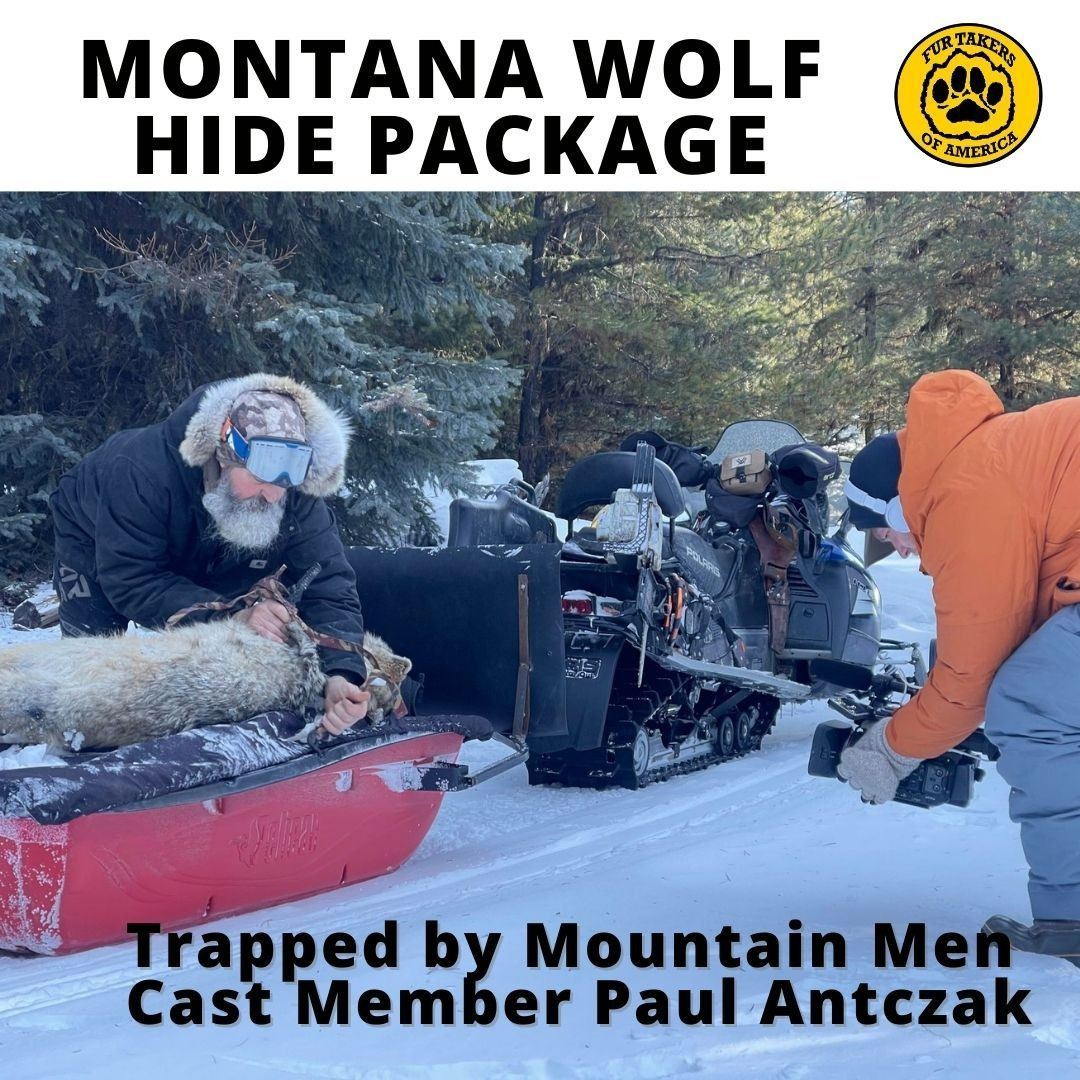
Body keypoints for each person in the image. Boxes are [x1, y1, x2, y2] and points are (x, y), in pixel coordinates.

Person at [837, 368, 1080, 962]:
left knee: (1030, 703)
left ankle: (1072, 917)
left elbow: (973, 680)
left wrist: (889, 748)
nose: (897, 546)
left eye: (884, 532)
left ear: (901, 502)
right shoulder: (995, 453)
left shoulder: (966, 491)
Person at [49, 374, 370, 735]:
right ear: (224, 454)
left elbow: (329, 584)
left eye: (284, 483)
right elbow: (132, 579)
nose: (273, 495)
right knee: (88, 673)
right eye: (260, 477)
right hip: (93, 539)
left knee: (224, 641)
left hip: (208, 548)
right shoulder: (140, 472)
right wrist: (232, 614)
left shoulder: (294, 494)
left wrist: (342, 673)